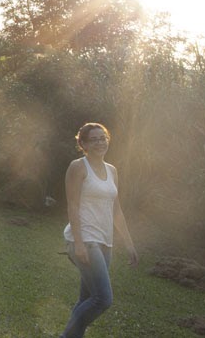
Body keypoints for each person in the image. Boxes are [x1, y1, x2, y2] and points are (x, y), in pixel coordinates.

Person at [59, 122, 138, 338]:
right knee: (103, 299)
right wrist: (79, 243)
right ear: (83, 143)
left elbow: (116, 210)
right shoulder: (78, 167)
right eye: (93, 139)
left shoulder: (112, 171)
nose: (100, 142)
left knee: (87, 300)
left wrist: (129, 244)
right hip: (85, 239)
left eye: (102, 137)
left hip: (105, 242)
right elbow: (72, 205)